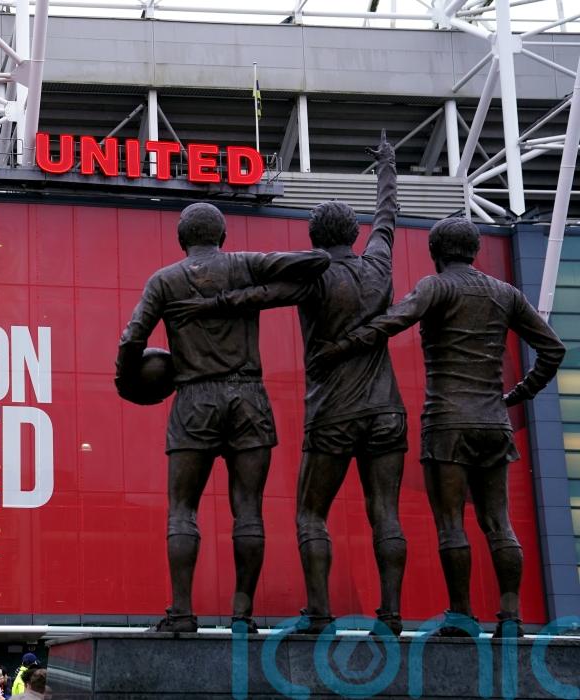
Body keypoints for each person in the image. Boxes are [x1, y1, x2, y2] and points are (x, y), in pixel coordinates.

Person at [168, 135, 409, 635]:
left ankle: (320, 615)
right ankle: (390, 615)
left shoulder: (314, 277)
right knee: (386, 512)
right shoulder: (379, 264)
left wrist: (209, 305)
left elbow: (259, 295)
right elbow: (387, 218)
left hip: (333, 411)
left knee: (311, 514)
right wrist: (387, 166)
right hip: (388, 409)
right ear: (354, 233)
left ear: (315, 237)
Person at [310, 215, 565, 637]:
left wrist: (341, 346)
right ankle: (511, 617)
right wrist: (519, 394)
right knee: (498, 523)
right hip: (494, 421)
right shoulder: (506, 293)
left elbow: (392, 321)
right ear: (475, 251)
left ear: (435, 253)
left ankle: (462, 616)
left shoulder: (436, 287)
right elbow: (552, 349)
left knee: (451, 524)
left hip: (447, 422)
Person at [116, 202, 331, 633]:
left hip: (194, 398)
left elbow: (132, 339)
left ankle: (181, 613)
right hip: (248, 396)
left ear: (182, 239)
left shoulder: (165, 280)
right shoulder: (245, 264)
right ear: (223, 236)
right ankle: (242, 616)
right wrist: (246, 294)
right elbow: (317, 262)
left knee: (182, 509)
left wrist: (127, 382)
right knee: (248, 510)